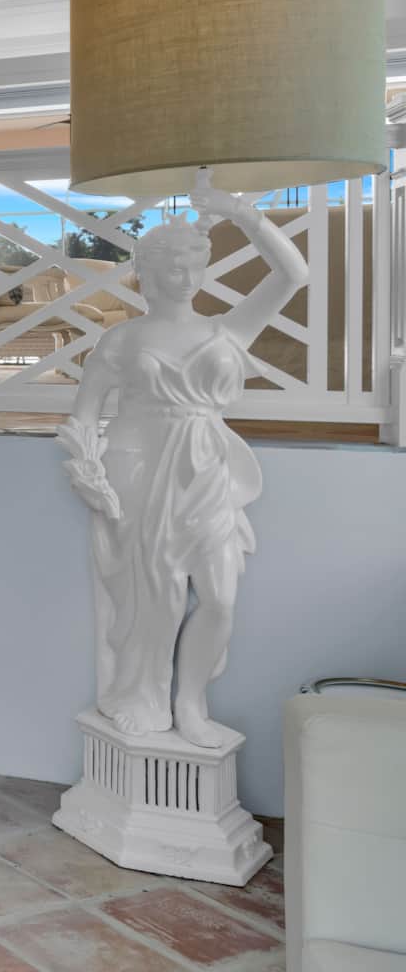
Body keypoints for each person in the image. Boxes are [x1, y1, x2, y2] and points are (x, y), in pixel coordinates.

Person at [56, 182, 306, 747]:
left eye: (195, 263)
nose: (187, 275)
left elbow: (293, 275)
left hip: (208, 465)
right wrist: (88, 472)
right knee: (158, 594)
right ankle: (145, 697)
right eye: (173, 265)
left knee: (220, 595)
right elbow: (82, 418)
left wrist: (241, 213)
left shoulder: (226, 329)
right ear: (145, 270)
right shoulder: (121, 340)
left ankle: (191, 703)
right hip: (138, 468)